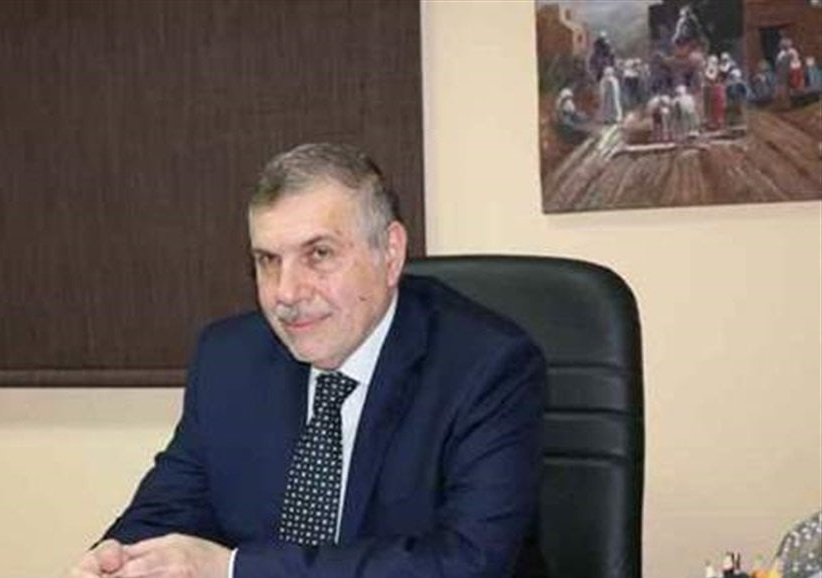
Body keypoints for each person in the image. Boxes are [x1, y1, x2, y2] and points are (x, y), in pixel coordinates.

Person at [65, 143, 546, 578]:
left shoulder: (485, 366)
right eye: (268, 260)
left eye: (318, 254)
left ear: (390, 253)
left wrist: (235, 569)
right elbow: (171, 508)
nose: (286, 293)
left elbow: (467, 562)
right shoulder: (229, 359)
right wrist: (120, 560)